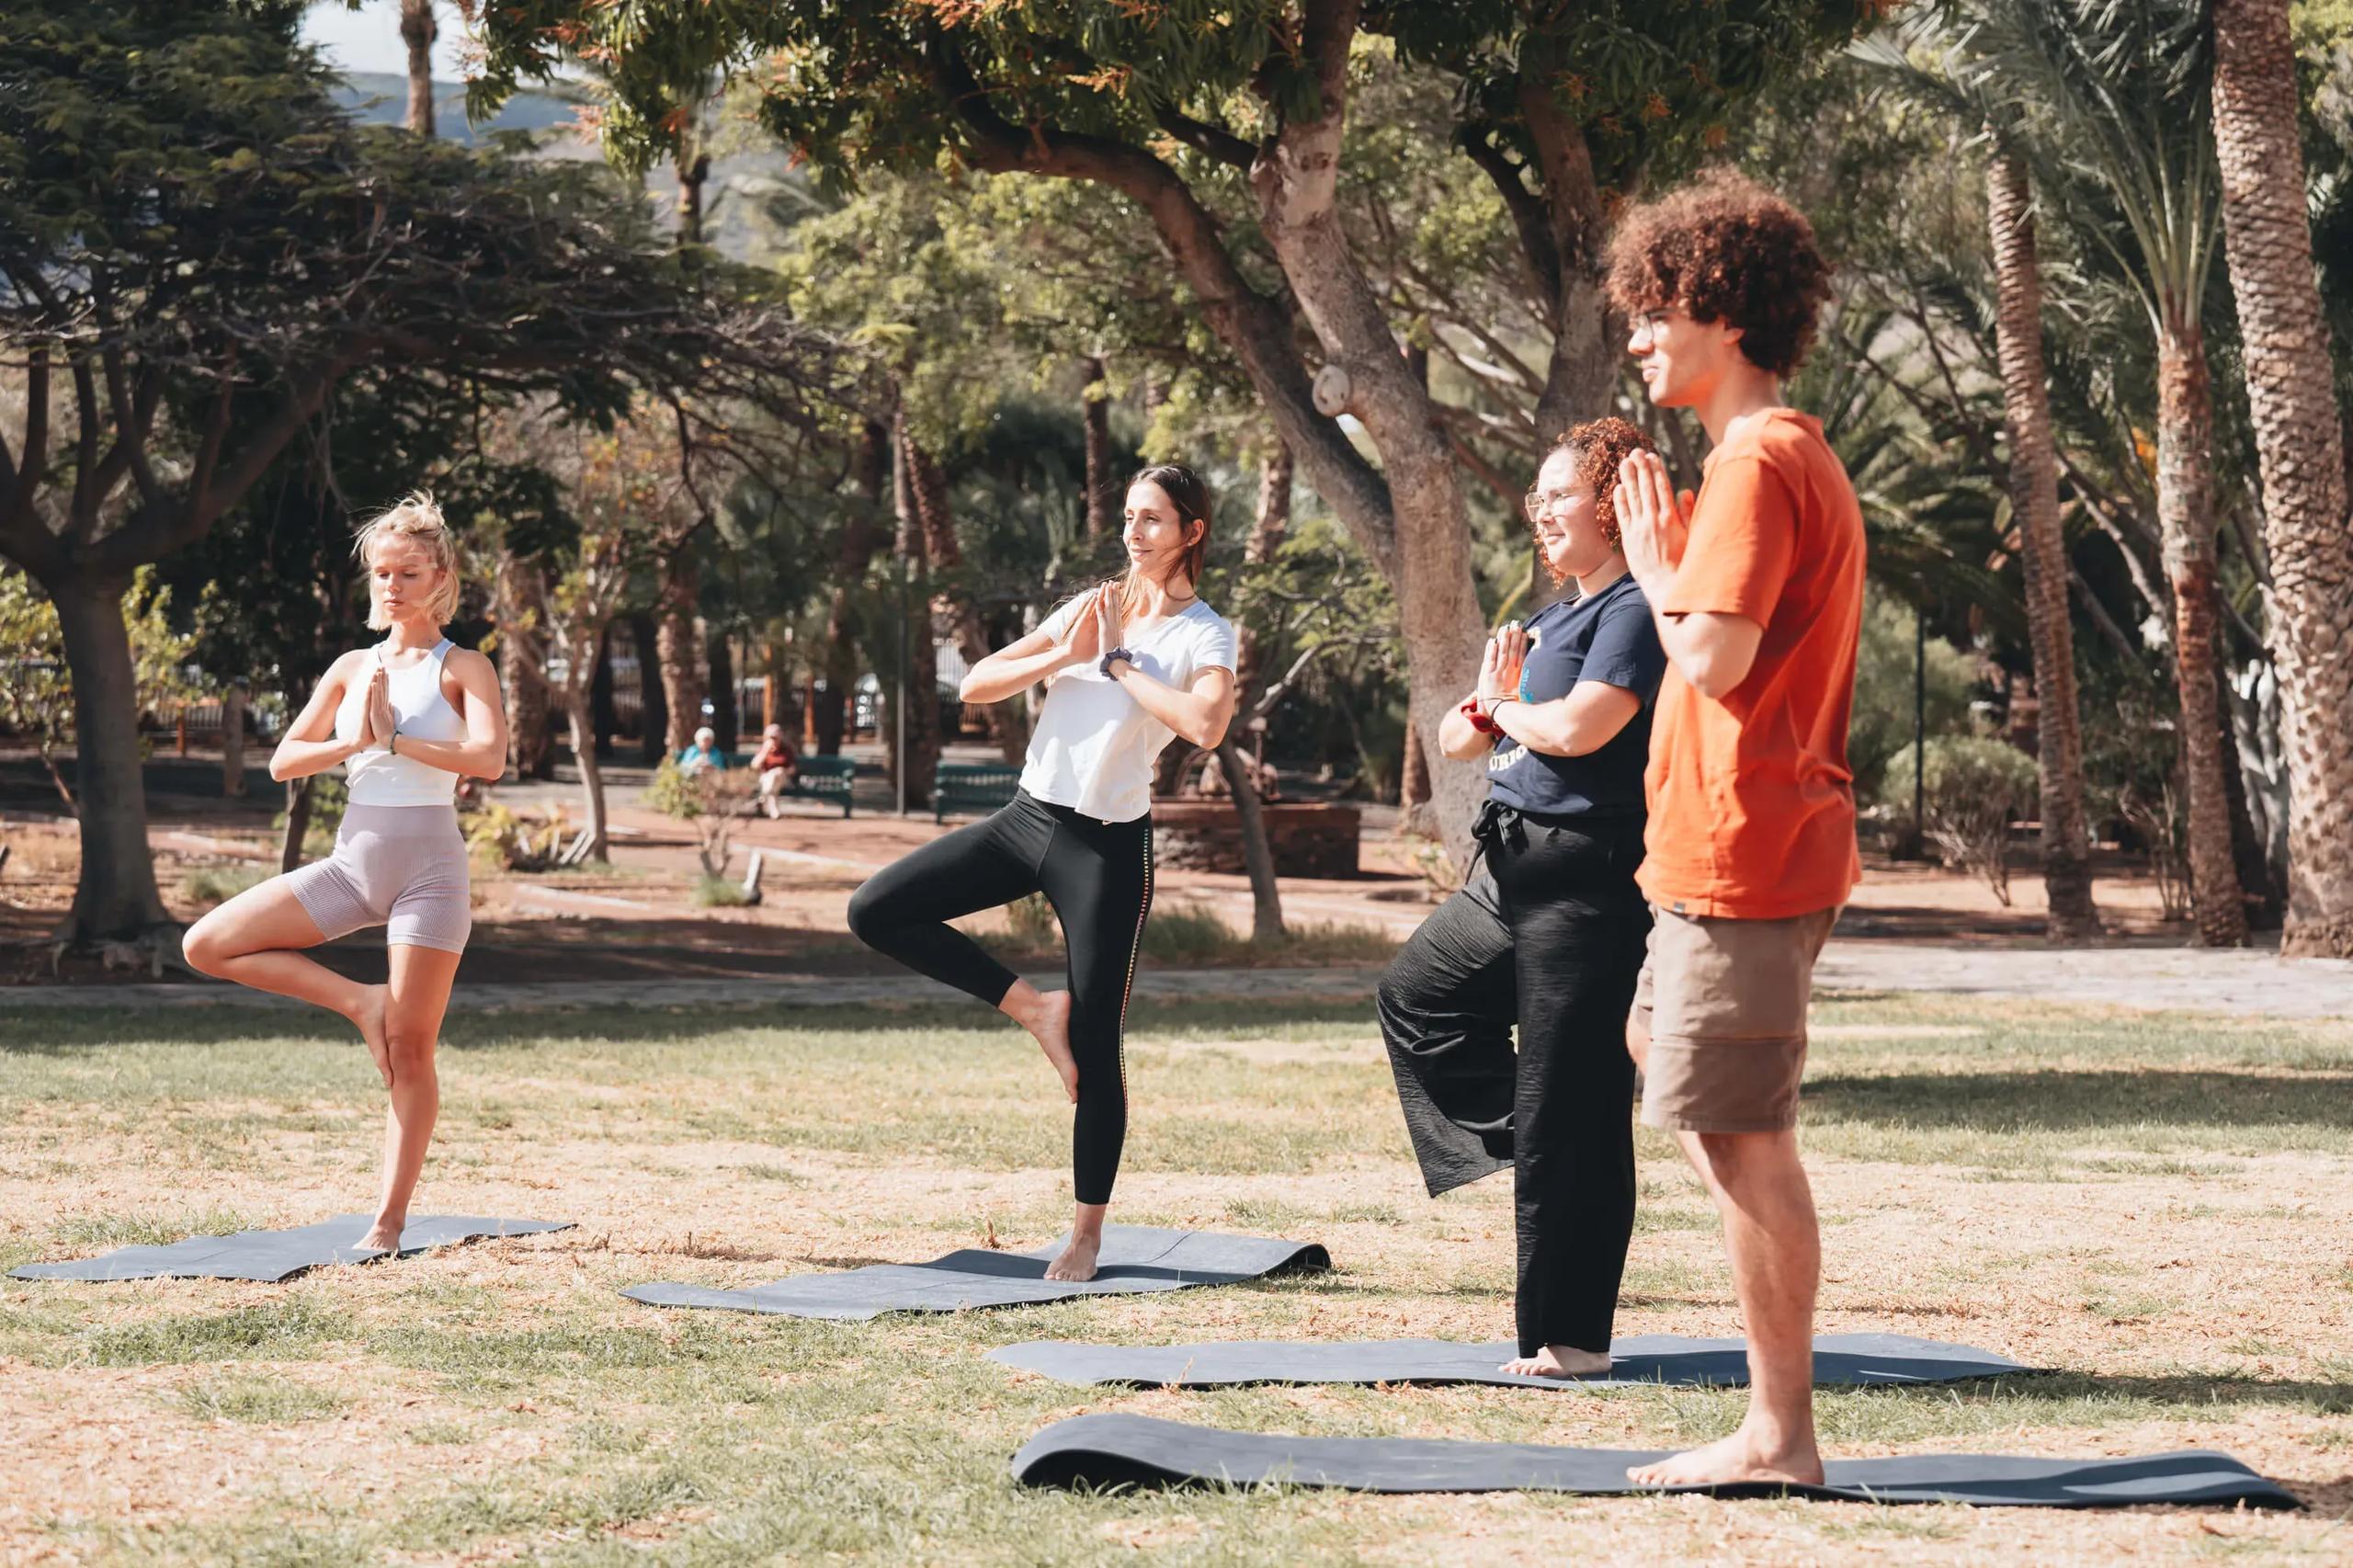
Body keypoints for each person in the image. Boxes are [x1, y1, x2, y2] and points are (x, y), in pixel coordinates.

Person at [1606, 171, 1864, 1489]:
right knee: (1685, 1077)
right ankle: (1777, 1424)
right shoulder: (1760, 458)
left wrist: (1656, 576)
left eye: (1656, 308)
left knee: (1743, 1136)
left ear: (1722, 305)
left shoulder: (1762, 460)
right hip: (1717, 852)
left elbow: (1709, 657)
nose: (1640, 334)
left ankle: (1780, 1435)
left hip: (1748, 853)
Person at [847, 463, 1238, 1281]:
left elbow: (1205, 723)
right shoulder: (1088, 609)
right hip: (1027, 821)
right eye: (1130, 518)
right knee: (876, 909)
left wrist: (1122, 667)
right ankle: (1033, 1009)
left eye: (1154, 520)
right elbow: (980, 686)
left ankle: (1086, 1235)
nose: (1134, 533)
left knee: (1100, 1047)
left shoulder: (1204, 633)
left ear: (1191, 533)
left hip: (1107, 850)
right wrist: (1067, 648)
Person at [1380, 418, 1668, 1380]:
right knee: (1416, 996)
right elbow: (1462, 742)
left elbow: (1581, 730)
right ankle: (1546, 1135)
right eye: (1537, 496)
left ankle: (1572, 1341)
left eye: (1558, 495)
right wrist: (1494, 702)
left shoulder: (1631, 612)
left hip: (1584, 884)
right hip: (1505, 869)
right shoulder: (1549, 619)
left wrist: (1502, 706)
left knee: (1572, 1108)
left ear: (1611, 504)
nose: (1538, 510)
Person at [182, 494, 508, 1252]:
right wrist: (352, 743)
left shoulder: (463, 667)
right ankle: (360, 1003)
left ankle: (387, 1224)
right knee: (208, 943)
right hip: (351, 867)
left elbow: (488, 760)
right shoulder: (351, 667)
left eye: (407, 573)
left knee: (412, 1049)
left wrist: (398, 744)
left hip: (431, 875)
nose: (390, 586)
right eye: (380, 574)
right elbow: (282, 760)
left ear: (440, 576)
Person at [751, 723, 800, 818]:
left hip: (783, 779)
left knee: (776, 774)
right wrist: (765, 751)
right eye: (771, 737)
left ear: (781, 736)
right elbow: (754, 766)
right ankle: (774, 811)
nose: (773, 740)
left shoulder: (787, 749)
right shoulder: (764, 748)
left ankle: (762, 799)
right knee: (772, 779)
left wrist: (782, 770)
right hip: (765, 779)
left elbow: (793, 769)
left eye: (775, 737)